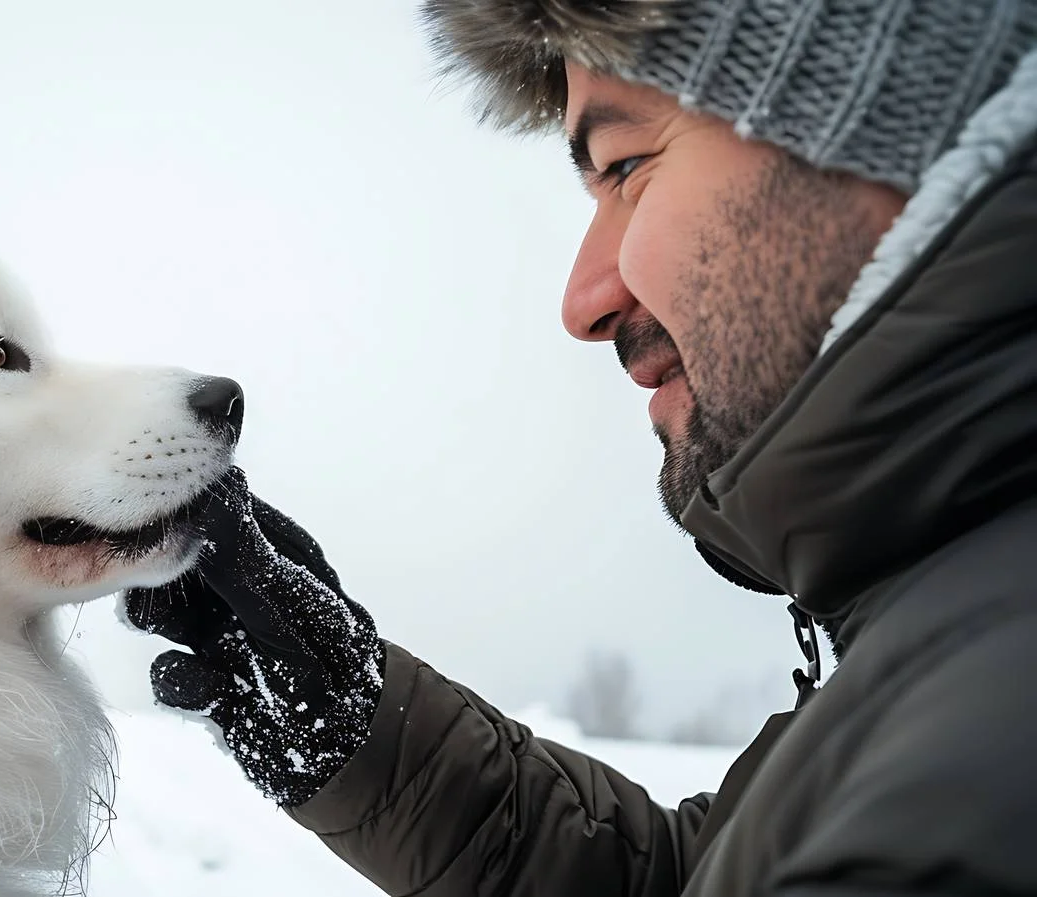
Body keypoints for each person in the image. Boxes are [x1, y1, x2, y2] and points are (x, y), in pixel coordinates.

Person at [125, 1, 1037, 895]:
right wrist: (360, 723)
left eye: (627, 165)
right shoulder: (938, 678)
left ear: (890, 119)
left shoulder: (965, 776)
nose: (583, 299)